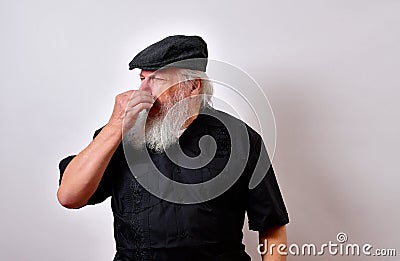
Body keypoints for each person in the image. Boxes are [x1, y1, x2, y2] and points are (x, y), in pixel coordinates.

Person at [57, 35, 289, 261]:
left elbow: (271, 227)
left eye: (156, 80)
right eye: (142, 79)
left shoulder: (241, 139)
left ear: (192, 86)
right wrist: (115, 126)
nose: (143, 91)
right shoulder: (118, 136)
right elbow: (69, 196)